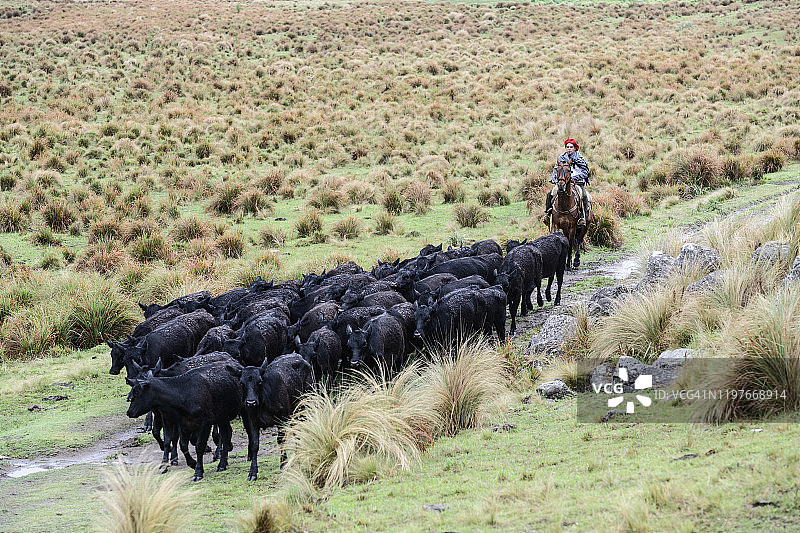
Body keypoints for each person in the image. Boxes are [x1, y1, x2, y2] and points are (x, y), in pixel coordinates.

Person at [542, 138, 591, 227]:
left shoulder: (580, 158)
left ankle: (582, 217)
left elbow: (585, 172)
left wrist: (574, 178)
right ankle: (548, 214)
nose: (569, 149)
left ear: (575, 148)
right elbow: (555, 170)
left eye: (571, 147)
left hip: (577, 183)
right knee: (550, 193)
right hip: (563, 182)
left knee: (584, 195)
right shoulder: (561, 158)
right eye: (567, 147)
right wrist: (554, 179)